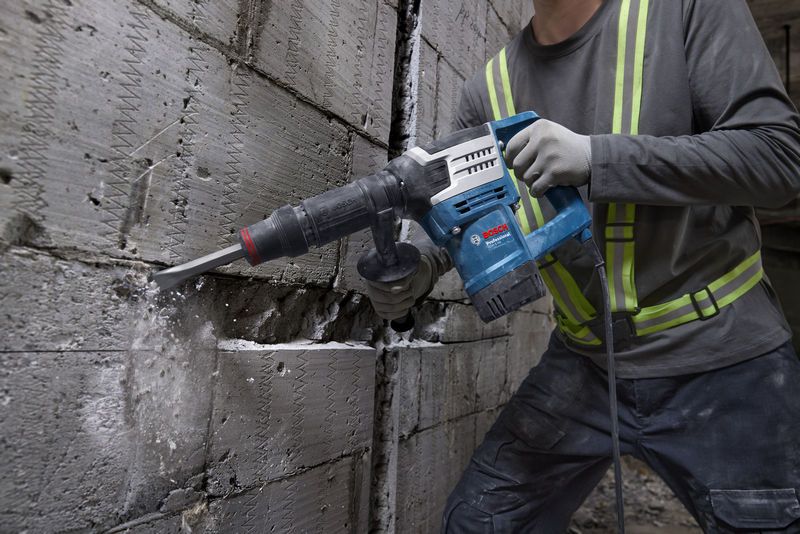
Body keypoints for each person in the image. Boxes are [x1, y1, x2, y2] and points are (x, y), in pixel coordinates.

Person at [364, 0, 800, 531]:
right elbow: (477, 221)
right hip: (586, 361)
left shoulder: (685, 10)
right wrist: (426, 268)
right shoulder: (490, 88)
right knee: (480, 522)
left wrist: (599, 158)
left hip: (725, 358)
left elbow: (777, 158)